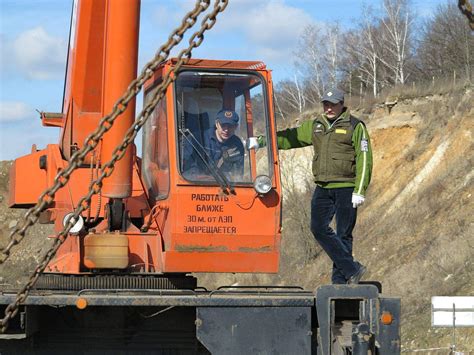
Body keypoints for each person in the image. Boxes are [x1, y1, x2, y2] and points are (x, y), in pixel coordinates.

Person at [248, 88, 372, 284]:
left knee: (344, 234)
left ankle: (340, 281)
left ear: (342, 105)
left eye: (333, 104)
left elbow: (365, 158)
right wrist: (263, 141)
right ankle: (352, 269)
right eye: (326, 104)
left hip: (346, 187)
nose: (329, 108)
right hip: (322, 186)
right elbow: (291, 137)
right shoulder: (316, 125)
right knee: (318, 228)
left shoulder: (355, 126)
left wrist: (359, 190)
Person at [183, 109, 244, 180]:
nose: (226, 130)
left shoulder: (237, 144)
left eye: (230, 126)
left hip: (223, 186)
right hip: (195, 185)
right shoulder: (197, 138)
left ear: (236, 126)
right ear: (217, 124)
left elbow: (238, 174)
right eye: (223, 125)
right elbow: (184, 167)